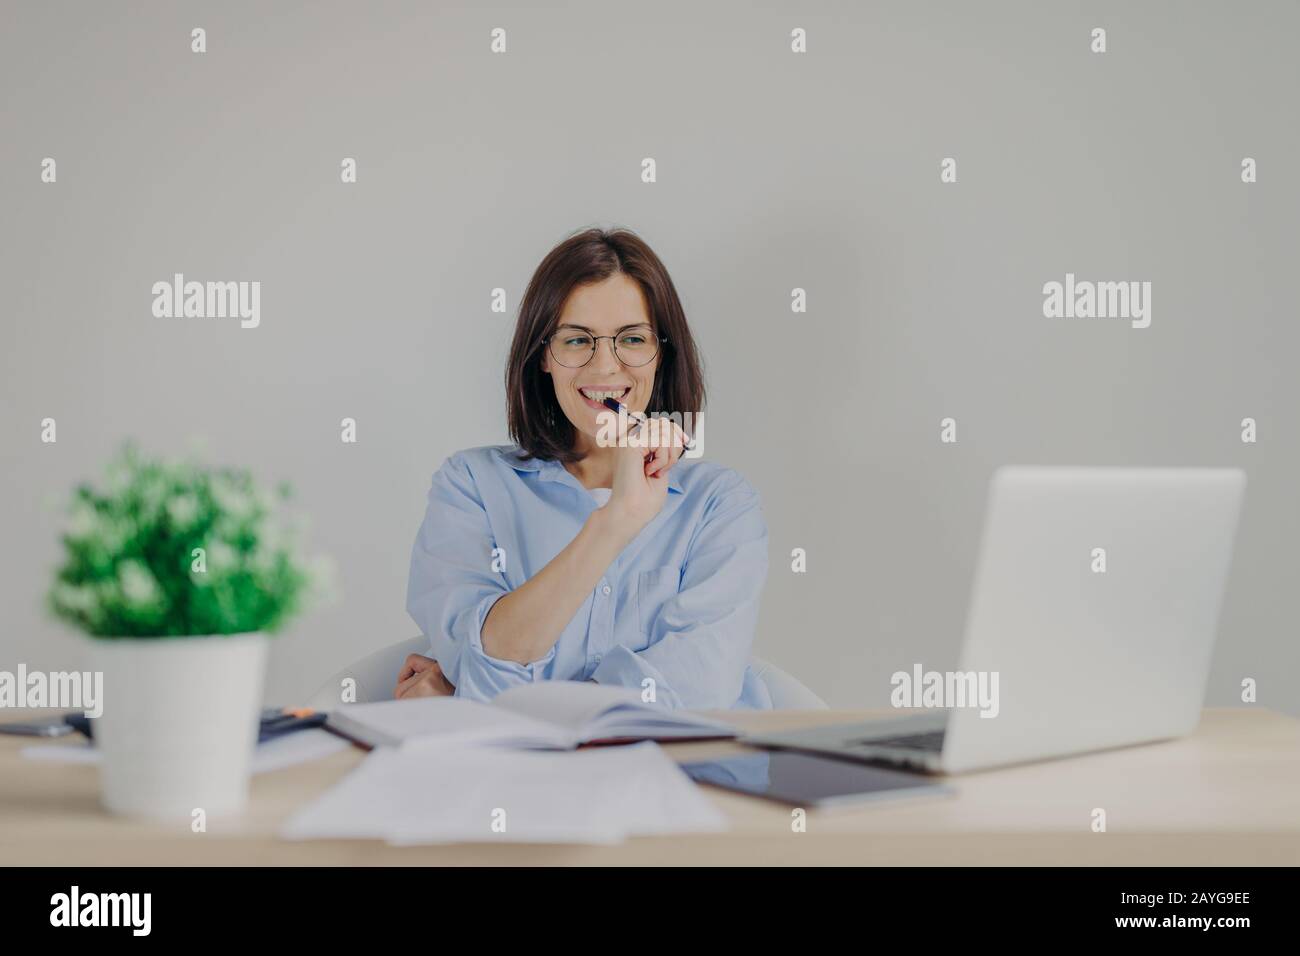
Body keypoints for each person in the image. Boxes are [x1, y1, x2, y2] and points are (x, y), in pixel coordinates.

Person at [397, 227, 771, 709]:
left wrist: (482, 697)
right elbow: (487, 660)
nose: (605, 369)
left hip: (683, 776)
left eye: (631, 339)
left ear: (662, 354)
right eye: (577, 341)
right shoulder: (470, 486)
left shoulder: (721, 505)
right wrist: (616, 522)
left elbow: (693, 696)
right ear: (543, 358)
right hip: (512, 781)